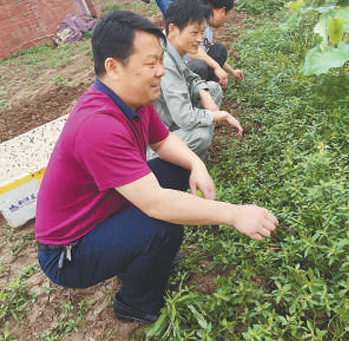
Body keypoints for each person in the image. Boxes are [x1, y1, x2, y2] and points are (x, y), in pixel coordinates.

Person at [35, 10, 278, 325]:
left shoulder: (132, 99)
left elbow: (163, 143)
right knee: (163, 224)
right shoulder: (97, 125)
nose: (161, 72)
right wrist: (234, 213)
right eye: (150, 64)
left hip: (101, 215)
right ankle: (135, 304)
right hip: (69, 252)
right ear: (113, 67)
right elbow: (156, 203)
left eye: (161, 61)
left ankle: (137, 257)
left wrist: (195, 164)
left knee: (176, 172)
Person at [149, 0, 243, 160]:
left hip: (171, 117)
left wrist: (203, 92)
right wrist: (219, 116)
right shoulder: (165, 62)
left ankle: (193, 152)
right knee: (200, 136)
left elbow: (190, 76)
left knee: (212, 89)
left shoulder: (173, 48)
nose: (200, 39)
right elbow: (184, 117)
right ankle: (183, 163)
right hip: (155, 142)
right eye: (194, 33)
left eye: (201, 32)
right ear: (172, 29)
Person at [186, 0, 244, 87]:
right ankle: (196, 96)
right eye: (226, 15)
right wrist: (217, 67)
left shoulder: (205, 24)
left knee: (219, 50)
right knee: (199, 65)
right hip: (180, 68)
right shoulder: (193, 19)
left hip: (192, 66)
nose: (225, 20)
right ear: (222, 11)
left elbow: (206, 53)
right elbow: (191, 49)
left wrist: (232, 71)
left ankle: (210, 88)